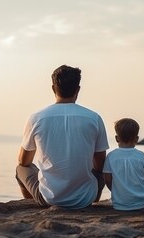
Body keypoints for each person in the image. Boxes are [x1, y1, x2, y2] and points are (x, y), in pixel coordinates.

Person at [15, 65, 109, 209]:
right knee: (101, 169)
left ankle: (33, 204)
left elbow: (24, 161)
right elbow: (100, 164)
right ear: (78, 89)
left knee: (20, 168)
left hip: (49, 198)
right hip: (85, 198)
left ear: (53, 88)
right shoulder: (94, 118)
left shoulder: (36, 118)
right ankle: (94, 199)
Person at [103, 118, 144, 211]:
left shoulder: (111, 156)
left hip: (119, 205)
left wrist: (118, 191)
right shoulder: (140, 155)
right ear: (137, 139)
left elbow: (107, 179)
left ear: (116, 138)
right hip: (143, 204)